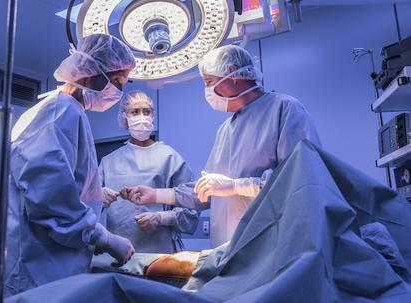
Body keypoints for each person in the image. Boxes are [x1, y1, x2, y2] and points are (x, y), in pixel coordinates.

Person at [122, 45, 321, 248]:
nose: (207, 91)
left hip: (272, 247)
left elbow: (302, 181)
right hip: (227, 251)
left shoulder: (284, 109)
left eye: (209, 82)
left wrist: (237, 186)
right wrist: (156, 195)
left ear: (233, 73)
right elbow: (206, 191)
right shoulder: (226, 129)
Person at [5, 34, 137, 296]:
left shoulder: (67, 111)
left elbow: (63, 184)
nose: (119, 92)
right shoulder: (60, 111)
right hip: (41, 269)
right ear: (90, 74)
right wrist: (104, 238)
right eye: (117, 81)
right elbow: (49, 197)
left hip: (52, 262)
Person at [99, 90, 199, 253]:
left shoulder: (169, 157)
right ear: (125, 116)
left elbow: (191, 208)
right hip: (117, 253)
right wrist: (98, 199)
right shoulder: (108, 162)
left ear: (153, 116)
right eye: (135, 112)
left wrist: (161, 218)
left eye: (147, 111)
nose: (142, 117)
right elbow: (86, 209)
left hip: (160, 253)